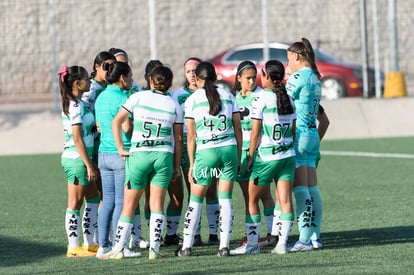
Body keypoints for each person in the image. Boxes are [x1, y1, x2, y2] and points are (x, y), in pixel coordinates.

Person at [100, 65, 183, 260]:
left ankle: (118, 249)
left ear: (150, 81)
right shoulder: (174, 105)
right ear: (169, 84)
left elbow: (116, 122)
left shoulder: (138, 97)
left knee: (129, 204)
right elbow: (178, 139)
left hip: (139, 154)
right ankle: (154, 250)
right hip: (163, 157)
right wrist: (177, 165)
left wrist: (120, 148)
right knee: (156, 204)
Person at [175, 62, 242, 257]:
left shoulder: (193, 99)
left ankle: (186, 247)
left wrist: (192, 164)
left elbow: (191, 136)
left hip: (206, 152)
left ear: (199, 77)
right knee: (226, 199)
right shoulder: (229, 96)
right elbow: (238, 129)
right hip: (228, 149)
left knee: (195, 199)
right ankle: (224, 247)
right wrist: (237, 156)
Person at [230, 60, 296, 255]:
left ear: (267, 76)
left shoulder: (261, 100)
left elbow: (256, 134)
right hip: (288, 157)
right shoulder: (289, 99)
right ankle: (281, 244)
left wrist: (250, 158)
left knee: (252, 199)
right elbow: (292, 132)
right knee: (284, 200)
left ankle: (251, 245)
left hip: (267, 158)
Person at [166, 57, 219, 247]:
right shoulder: (178, 95)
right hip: (187, 146)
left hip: (207, 146)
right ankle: (194, 234)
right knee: (192, 191)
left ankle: (214, 234)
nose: (192, 74)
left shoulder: (212, 93)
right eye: (188, 71)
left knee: (211, 191)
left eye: (195, 70)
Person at [94, 61, 143, 258]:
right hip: (121, 154)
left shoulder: (101, 97)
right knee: (122, 203)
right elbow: (127, 128)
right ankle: (119, 246)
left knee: (107, 202)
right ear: (122, 78)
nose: (132, 80)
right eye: (130, 76)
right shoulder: (122, 98)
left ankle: (103, 245)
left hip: (103, 155)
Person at [232, 60, 276, 247]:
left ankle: (271, 234)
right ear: (239, 78)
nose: (251, 81)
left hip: (258, 152)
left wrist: (253, 152)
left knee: (263, 194)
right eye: (247, 78)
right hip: (240, 154)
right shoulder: (234, 97)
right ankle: (255, 234)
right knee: (248, 196)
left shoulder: (261, 95)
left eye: (253, 77)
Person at [284, 37, 323, 252]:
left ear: (297, 57)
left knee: (301, 189)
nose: (287, 63)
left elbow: (283, 103)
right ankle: (315, 236)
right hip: (312, 134)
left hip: (299, 135)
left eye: (289, 58)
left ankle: (305, 240)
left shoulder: (298, 77)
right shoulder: (315, 78)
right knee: (312, 188)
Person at [58, 65, 100, 257]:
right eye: (86, 78)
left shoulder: (79, 103)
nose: (90, 81)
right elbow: (77, 139)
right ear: (77, 83)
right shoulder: (74, 106)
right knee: (75, 203)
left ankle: (90, 243)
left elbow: (85, 131)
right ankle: (73, 247)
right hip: (76, 159)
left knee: (93, 199)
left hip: (83, 159)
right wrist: (89, 164)